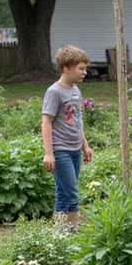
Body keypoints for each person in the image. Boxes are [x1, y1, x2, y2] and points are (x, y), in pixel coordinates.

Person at [42, 44, 93, 231]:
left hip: (74, 149)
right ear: (66, 68)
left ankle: (59, 231)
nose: (85, 72)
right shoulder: (54, 92)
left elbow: (78, 121)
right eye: (81, 68)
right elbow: (46, 122)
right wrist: (49, 153)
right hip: (60, 148)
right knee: (72, 193)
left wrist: (85, 145)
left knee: (63, 192)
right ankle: (73, 230)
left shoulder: (75, 91)